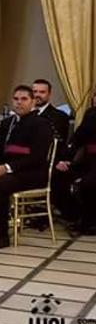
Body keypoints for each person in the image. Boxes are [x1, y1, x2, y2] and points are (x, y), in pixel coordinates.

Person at [0, 86, 56, 250]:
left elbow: (37, 157)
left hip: (33, 173)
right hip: (10, 171)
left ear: (33, 101)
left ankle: (1, 235)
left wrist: (6, 168)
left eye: (24, 99)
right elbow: (0, 150)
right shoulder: (7, 123)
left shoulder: (42, 124)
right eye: (16, 99)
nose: (19, 103)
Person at [53, 90, 96, 234]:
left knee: (88, 184)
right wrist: (66, 159)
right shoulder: (91, 114)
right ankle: (73, 214)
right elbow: (78, 138)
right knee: (59, 174)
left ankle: (89, 223)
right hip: (88, 159)